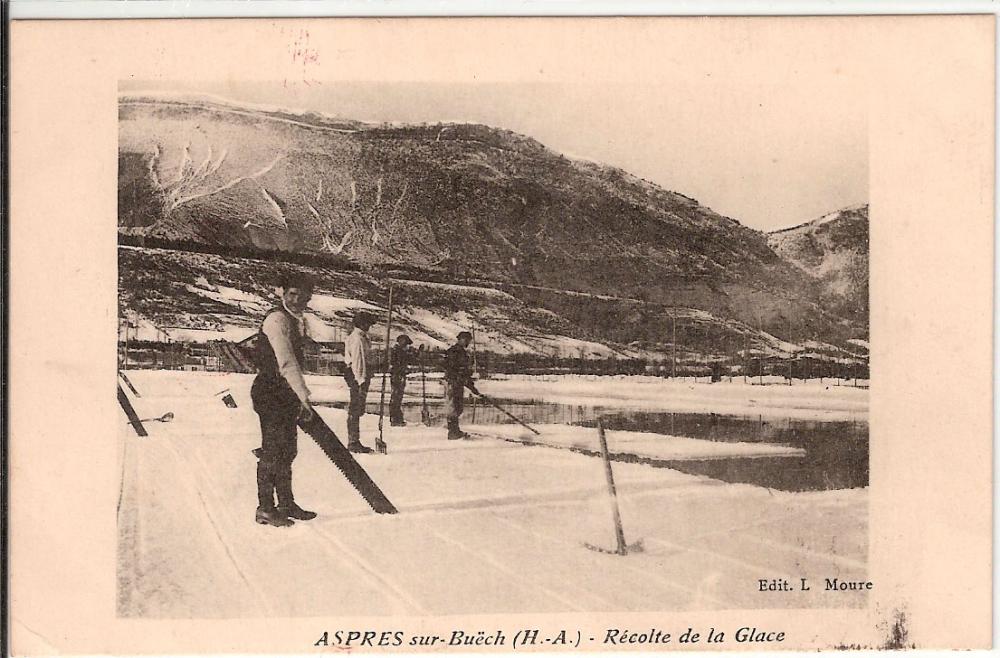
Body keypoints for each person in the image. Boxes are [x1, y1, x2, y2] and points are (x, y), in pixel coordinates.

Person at [250, 272, 318, 527]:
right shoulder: (277, 320)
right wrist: (304, 399)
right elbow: (286, 362)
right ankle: (265, 508)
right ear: (283, 293)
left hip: (283, 392)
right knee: (273, 451)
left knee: (287, 450)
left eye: (303, 296)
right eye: (292, 294)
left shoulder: (295, 320)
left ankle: (286, 503)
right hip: (270, 392)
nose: (297, 299)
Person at [343, 311, 376, 453]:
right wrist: (361, 380)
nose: (369, 326)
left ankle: (354, 440)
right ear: (361, 323)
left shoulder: (361, 337)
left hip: (358, 375)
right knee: (355, 408)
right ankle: (353, 442)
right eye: (367, 323)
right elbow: (358, 360)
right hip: (357, 376)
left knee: (357, 408)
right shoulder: (357, 339)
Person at [443, 331, 479, 440]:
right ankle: (453, 432)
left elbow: (465, 372)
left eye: (469, 340)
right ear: (460, 339)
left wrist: (471, 386)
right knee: (453, 407)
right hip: (452, 382)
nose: (467, 342)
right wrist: (456, 377)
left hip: (458, 383)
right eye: (465, 339)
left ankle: (455, 430)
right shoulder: (453, 351)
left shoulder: (463, 353)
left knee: (458, 407)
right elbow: (450, 367)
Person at [388, 334, 414, 426]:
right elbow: (395, 365)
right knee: (396, 397)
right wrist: (404, 370)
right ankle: (395, 419)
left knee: (397, 397)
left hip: (399, 376)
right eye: (406, 344)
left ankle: (397, 418)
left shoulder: (400, 351)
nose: (407, 346)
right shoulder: (397, 351)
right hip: (397, 376)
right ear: (401, 342)